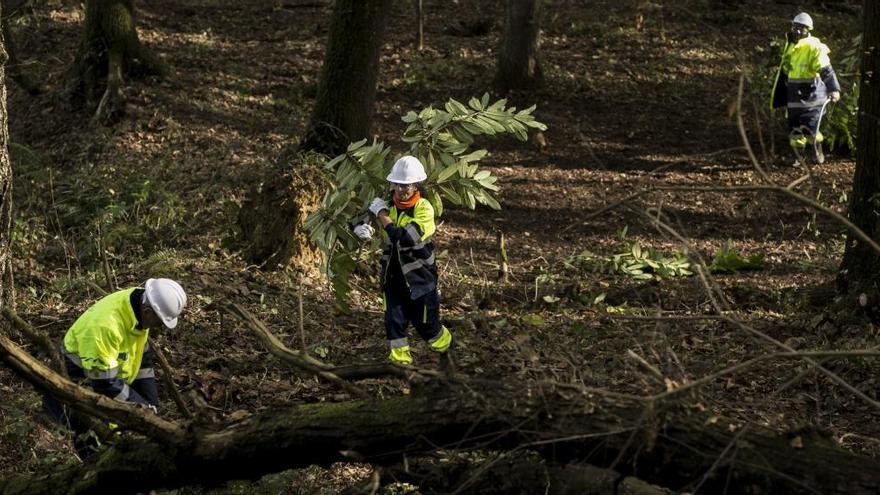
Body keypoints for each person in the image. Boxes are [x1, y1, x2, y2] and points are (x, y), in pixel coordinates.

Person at [44, 278, 187, 458]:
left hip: (107, 383)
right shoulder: (105, 327)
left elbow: (143, 361)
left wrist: (151, 405)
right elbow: (105, 384)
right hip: (72, 390)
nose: (160, 329)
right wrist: (140, 408)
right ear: (148, 311)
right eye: (159, 323)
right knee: (92, 452)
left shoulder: (139, 306)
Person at [353, 156, 454, 368]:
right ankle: (402, 368)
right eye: (398, 185)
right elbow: (359, 216)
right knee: (394, 323)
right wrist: (360, 227)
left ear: (415, 184)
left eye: (406, 185)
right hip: (392, 277)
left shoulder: (424, 208)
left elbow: (406, 237)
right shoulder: (387, 204)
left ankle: (448, 350)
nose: (401, 190)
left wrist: (381, 215)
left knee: (428, 329)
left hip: (420, 281)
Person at [770, 12, 841, 166]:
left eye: (801, 28)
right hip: (794, 97)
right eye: (795, 27)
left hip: (812, 98)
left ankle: (817, 151)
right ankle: (797, 157)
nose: (797, 31)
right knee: (795, 131)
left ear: (808, 30)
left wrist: (833, 89)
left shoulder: (815, 47)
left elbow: (826, 70)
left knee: (811, 129)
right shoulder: (791, 45)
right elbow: (786, 68)